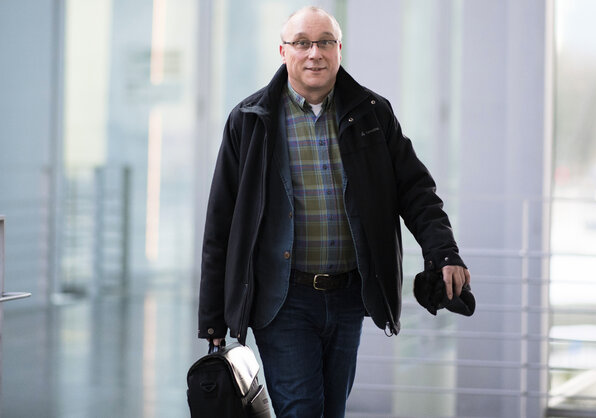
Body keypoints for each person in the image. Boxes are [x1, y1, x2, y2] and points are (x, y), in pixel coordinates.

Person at [198, 6, 471, 417]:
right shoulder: (249, 121)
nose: (315, 53)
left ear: (339, 49)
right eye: (302, 43)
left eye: (325, 42)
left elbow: (416, 190)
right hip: (281, 300)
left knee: (332, 411)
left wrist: (444, 252)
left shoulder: (372, 115)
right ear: (283, 50)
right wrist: (213, 322)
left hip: (348, 297)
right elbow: (220, 225)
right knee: (302, 409)